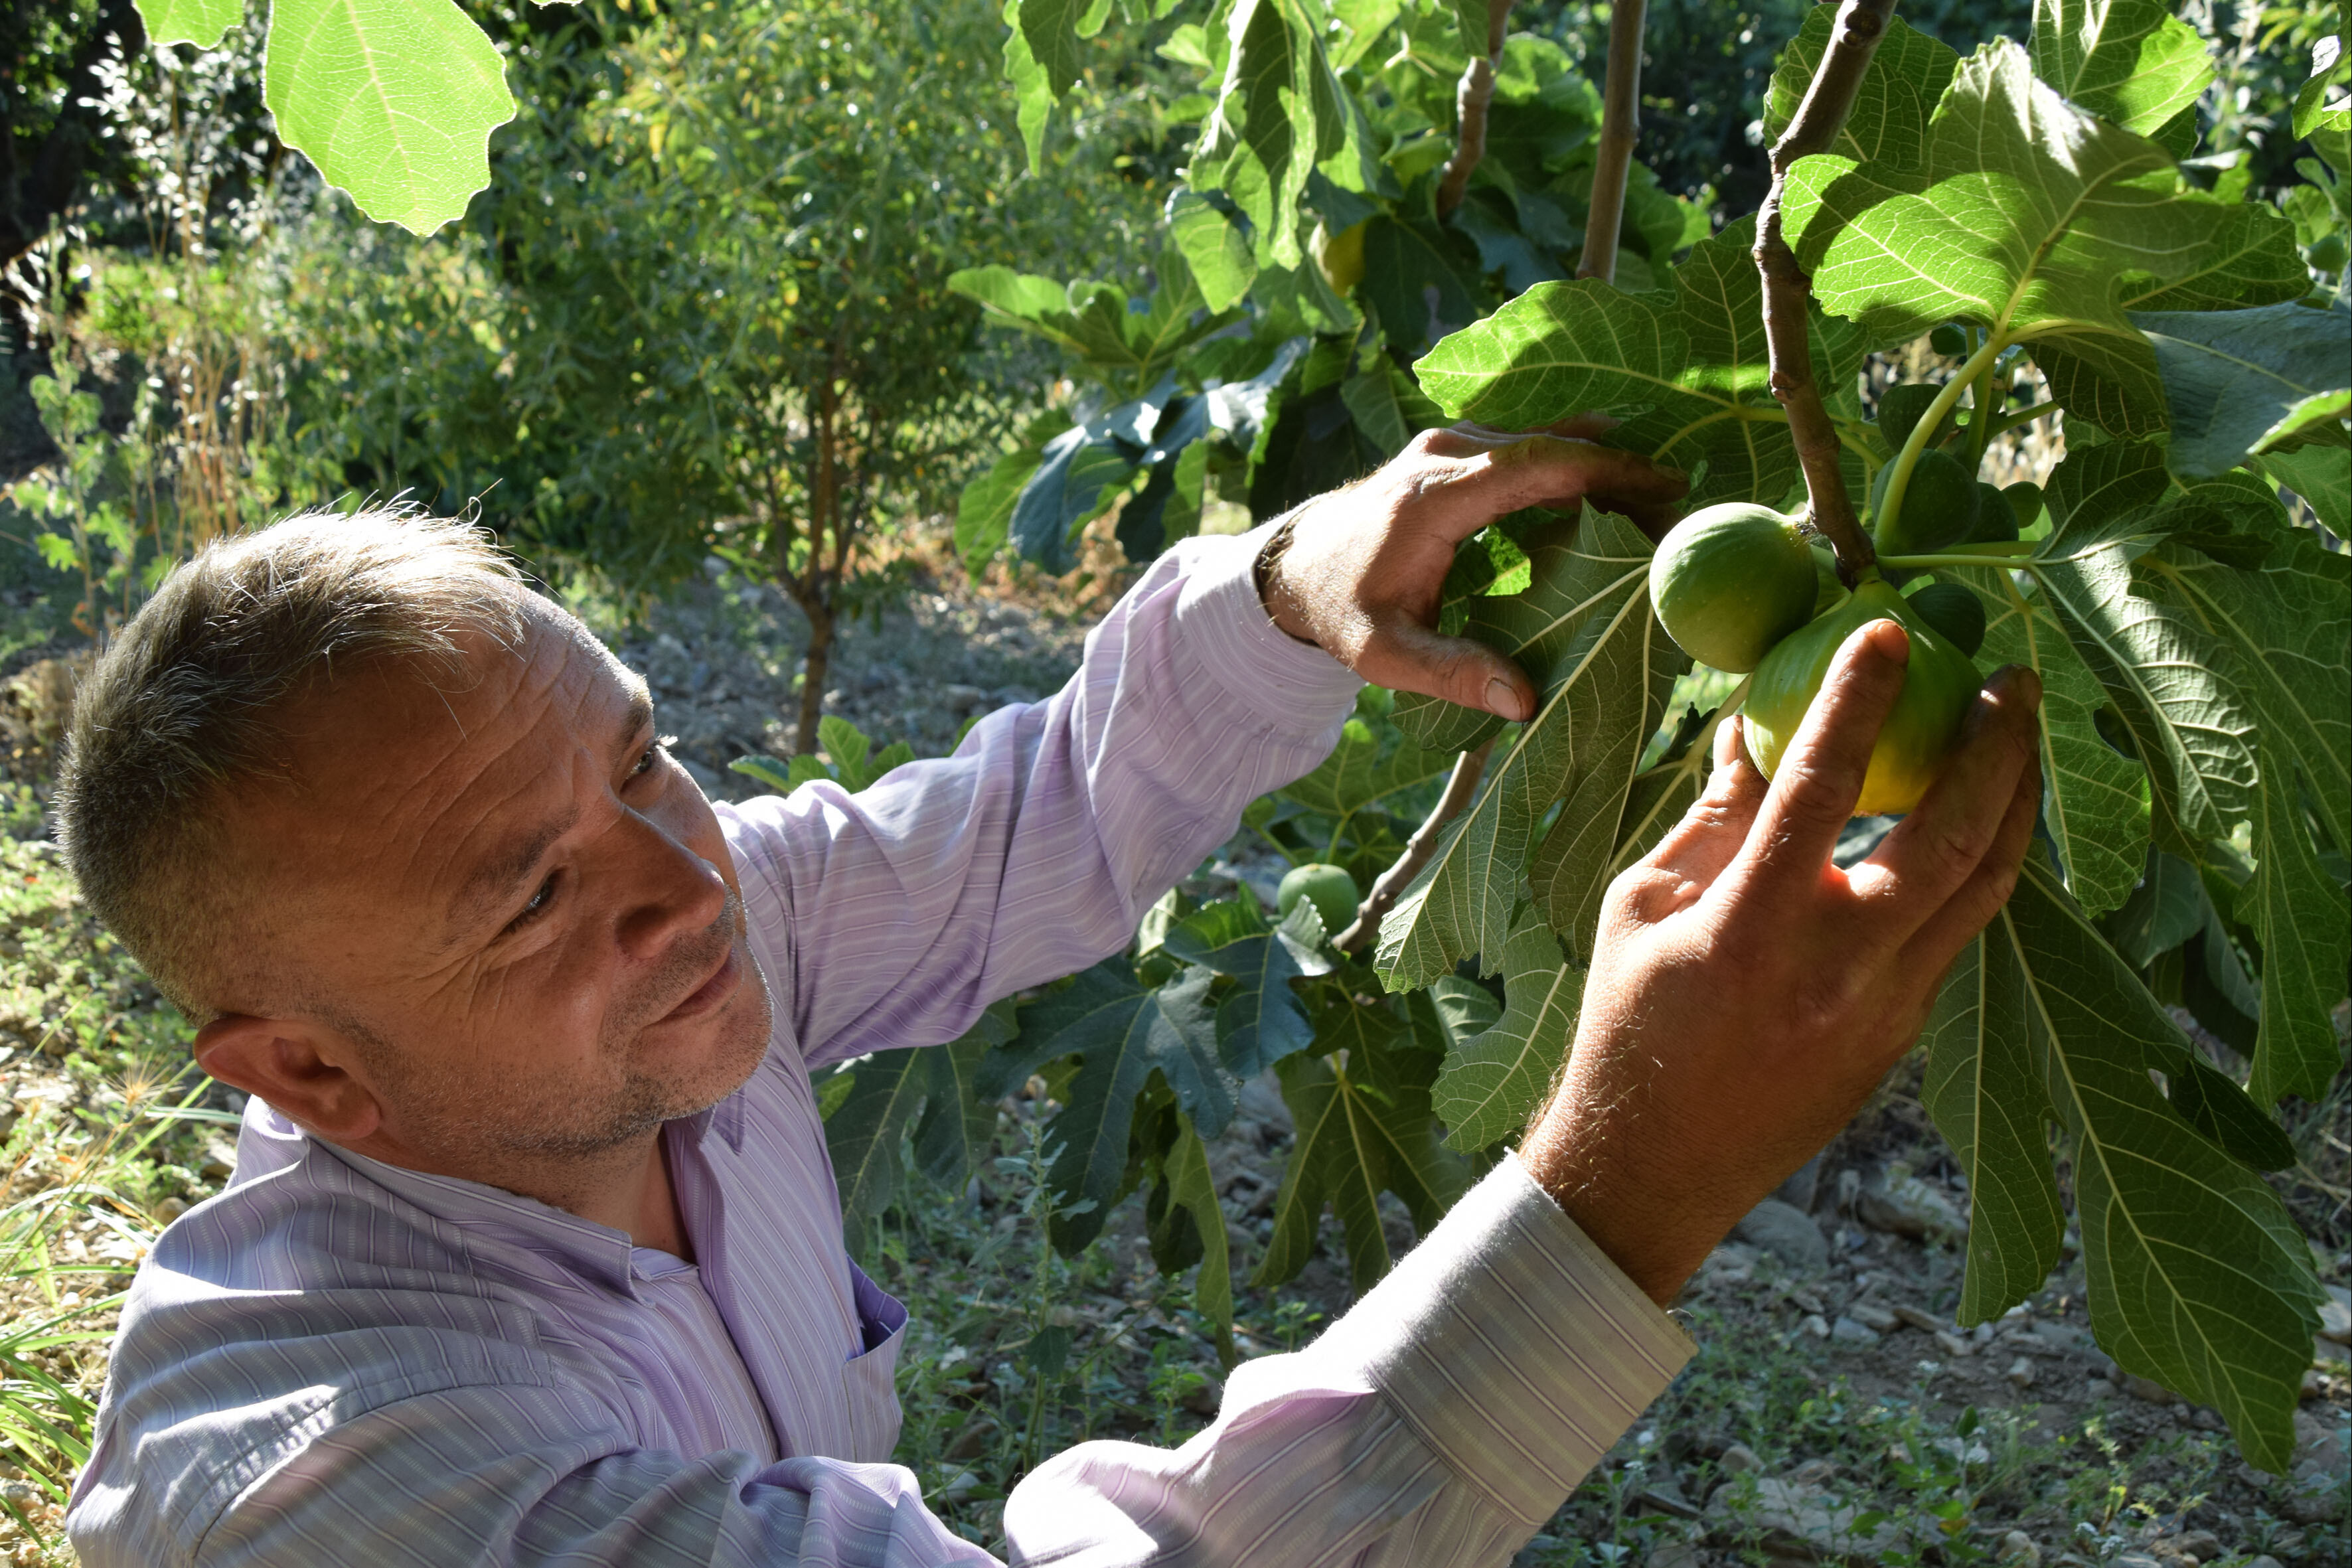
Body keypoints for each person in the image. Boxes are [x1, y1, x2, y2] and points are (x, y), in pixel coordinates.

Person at [58, 426, 2041, 1567]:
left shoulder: (653, 966)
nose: (686, 874)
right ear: (308, 1070)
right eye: (532, 892)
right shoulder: (338, 1489)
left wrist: (1286, 582)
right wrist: (1623, 1188)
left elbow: (1024, 823)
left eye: (644, 753)